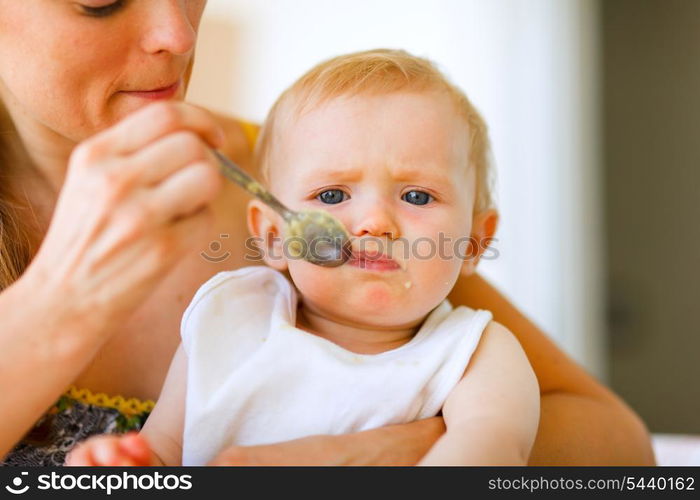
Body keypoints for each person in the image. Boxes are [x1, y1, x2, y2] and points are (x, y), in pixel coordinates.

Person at [0, 0, 653, 466]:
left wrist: (365, 454)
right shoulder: (234, 302)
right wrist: (60, 306)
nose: (177, 30)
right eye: (100, 2)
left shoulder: (296, 177)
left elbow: (618, 444)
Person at [65, 49, 541, 466]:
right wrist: (125, 463)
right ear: (273, 237)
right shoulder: (229, 316)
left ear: (475, 243)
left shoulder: (474, 353)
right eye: (332, 194)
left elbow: (490, 450)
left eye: (417, 197)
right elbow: (165, 449)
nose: (374, 222)